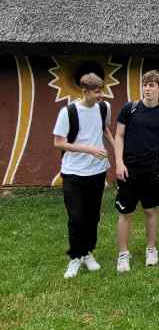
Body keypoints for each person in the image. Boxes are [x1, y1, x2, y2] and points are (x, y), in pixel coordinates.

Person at [53, 73, 114, 279]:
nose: (101, 95)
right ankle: (75, 257)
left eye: (101, 90)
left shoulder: (104, 107)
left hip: (97, 171)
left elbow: (104, 129)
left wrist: (117, 150)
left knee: (92, 216)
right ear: (84, 91)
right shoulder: (68, 112)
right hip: (73, 172)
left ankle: (87, 252)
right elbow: (58, 143)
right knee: (76, 217)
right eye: (97, 92)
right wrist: (89, 149)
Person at [113, 70, 159, 272]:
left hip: (151, 169)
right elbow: (119, 136)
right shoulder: (129, 109)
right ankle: (123, 253)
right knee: (125, 212)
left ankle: (151, 249)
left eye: (152, 85)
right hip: (129, 168)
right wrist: (119, 163)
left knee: (150, 210)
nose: (147, 88)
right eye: (145, 84)